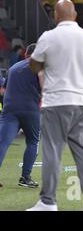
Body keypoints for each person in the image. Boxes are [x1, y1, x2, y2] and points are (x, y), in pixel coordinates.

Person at [27, 0, 83, 211]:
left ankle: (48, 202)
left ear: (56, 16)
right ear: (75, 15)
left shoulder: (49, 37)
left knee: (52, 151)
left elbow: (34, 65)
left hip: (57, 102)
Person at [0, 44, 42, 189]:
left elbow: (3, 89)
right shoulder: (39, 66)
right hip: (30, 109)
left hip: (9, 109)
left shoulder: (12, 68)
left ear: (25, 54)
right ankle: (25, 177)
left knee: (2, 142)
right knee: (33, 141)